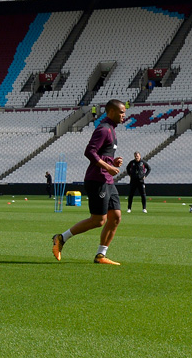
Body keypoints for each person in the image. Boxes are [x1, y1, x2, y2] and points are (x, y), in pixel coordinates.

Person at [52, 99, 126, 265]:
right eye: (121, 112)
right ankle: (61, 238)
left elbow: (101, 154)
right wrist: (108, 166)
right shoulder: (103, 129)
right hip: (97, 180)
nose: (124, 116)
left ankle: (101, 255)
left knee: (116, 217)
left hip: (107, 180)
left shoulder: (112, 130)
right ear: (112, 112)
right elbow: (90, 152)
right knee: (98, 220)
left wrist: (112, 163)